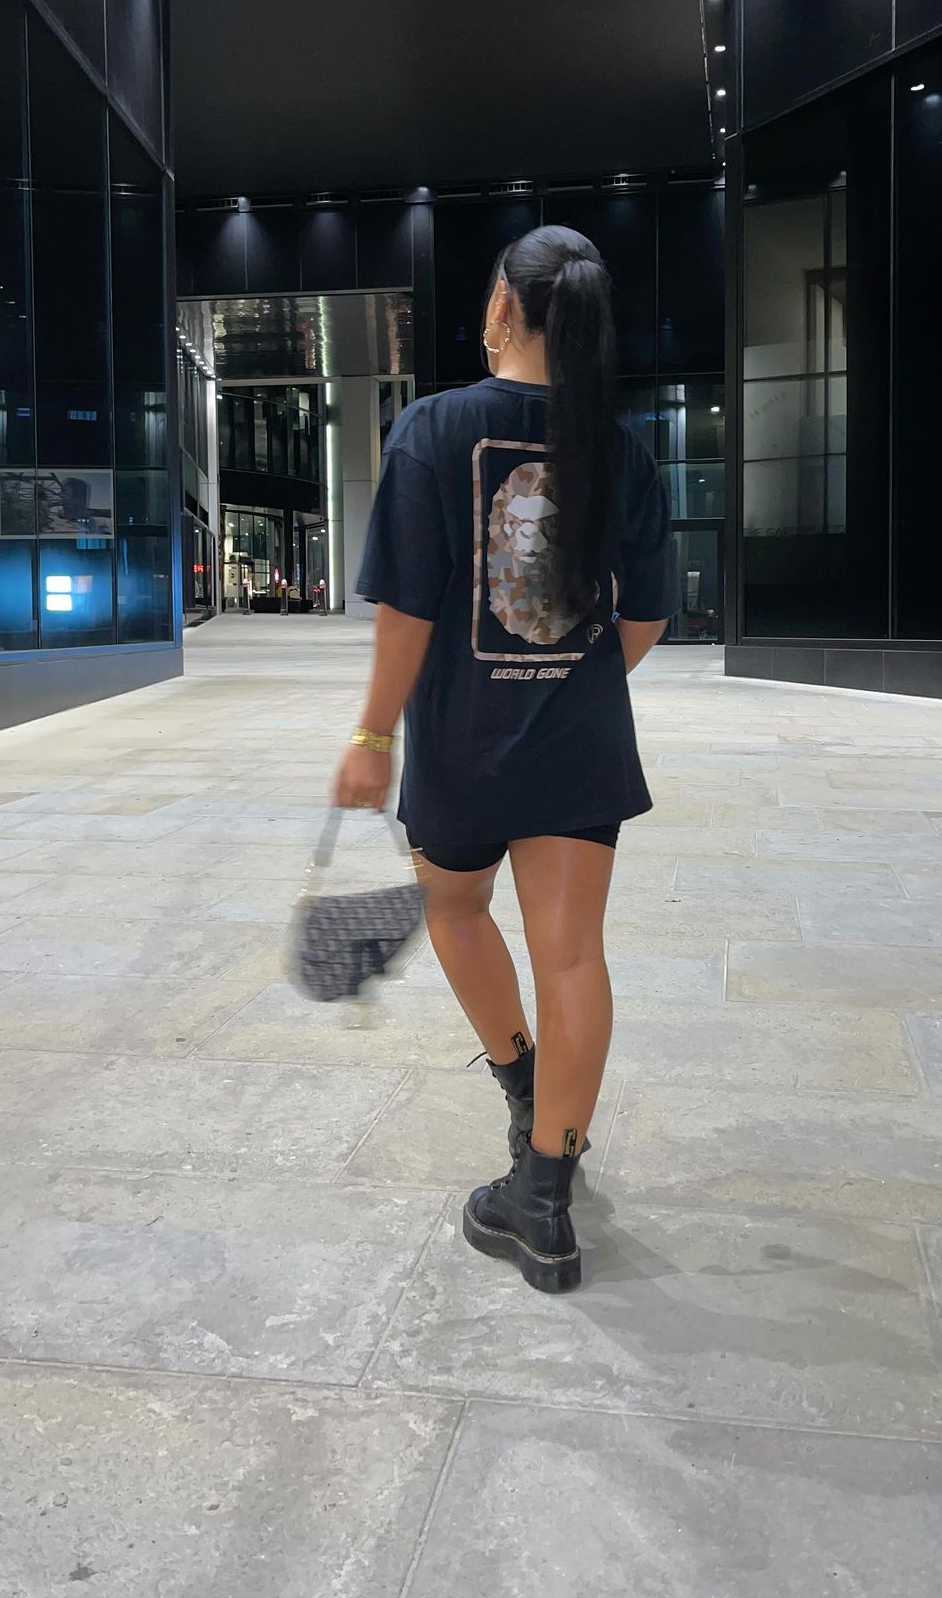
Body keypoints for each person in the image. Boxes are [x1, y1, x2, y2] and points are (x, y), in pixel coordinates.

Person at [335, 225, 676, 1293]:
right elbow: (647, 618)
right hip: (578, 745)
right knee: (573, 956)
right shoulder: (621, 449)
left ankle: (524, 1085)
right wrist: (573, 684)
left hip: (462, 746)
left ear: (500, 308)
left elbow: (405, 611)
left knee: (453, 908)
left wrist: (372, 735)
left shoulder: (434, 430)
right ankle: (545, 1201)